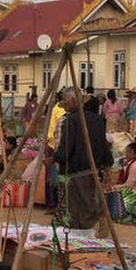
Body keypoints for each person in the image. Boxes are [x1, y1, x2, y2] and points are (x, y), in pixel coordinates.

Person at [55, 89, 111, 230]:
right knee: (88, 203)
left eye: (66, 103)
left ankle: (79, 234)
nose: (66, 107)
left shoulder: (71, 121)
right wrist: (106, 165)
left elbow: (65, 149)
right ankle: (88, 227)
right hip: (93, 169)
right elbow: (104, 145)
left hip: (76, 171)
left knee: (76, 208)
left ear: (73, 101)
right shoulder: (98, 120)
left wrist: (54, 158)